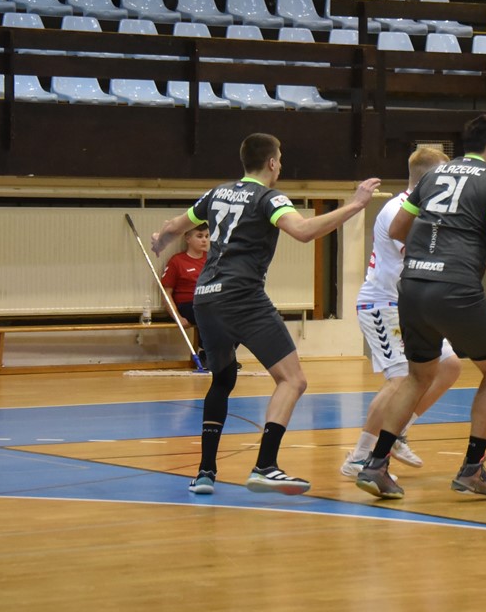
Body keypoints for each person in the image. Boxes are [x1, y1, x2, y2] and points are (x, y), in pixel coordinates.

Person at [151, 134, 380, 496]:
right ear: (272, 163)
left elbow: (175, 226)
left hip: (205, 298)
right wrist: (355, 205)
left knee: (222, 379)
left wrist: (161, 240)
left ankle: (206, 473)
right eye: (280, 160)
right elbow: (303, 231)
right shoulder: (268, 198)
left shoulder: (217, 193)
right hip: (242, 297)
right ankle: (265, 466)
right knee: (293, 380)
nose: (281, 166)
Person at [356, 115, 486, 500]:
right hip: (455, 288)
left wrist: (429, 253)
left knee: (417, 376)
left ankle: (376, 464)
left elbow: (397, 229)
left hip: (412, 287)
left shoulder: (432, 176)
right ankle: (472, 469)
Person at [343, 146, 462, 477]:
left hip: (411, 307)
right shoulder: (399, 209)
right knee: (399, 379)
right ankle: (359, 457)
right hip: (383, 305)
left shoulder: (428, 211)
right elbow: (423, 255)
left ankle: (397, 431)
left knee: (449, 366)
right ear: (430, 179)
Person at [159, 222, 209, 364]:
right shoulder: (177, 261)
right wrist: (177, 317)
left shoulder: (212, 259)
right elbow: (166, 293)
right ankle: (208, 354)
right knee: (210, 314)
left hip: (211, 302)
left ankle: (224, 356)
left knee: (236, 316)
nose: (204, 240)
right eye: (199, 236)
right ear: (188, 238)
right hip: (188, 305)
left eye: (207, 236)